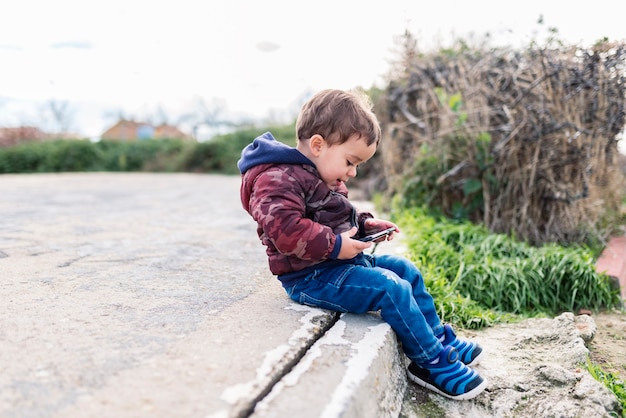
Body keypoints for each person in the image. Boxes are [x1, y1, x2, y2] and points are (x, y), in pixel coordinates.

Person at [237, 88, 487, 400]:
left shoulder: (320, 175)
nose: (352, 173)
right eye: (350, 162)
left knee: (404, 271)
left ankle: (436, 338)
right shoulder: (276, 179)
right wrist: (333, 246)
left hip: (337, 264)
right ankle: (429, 362)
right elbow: (284, 231)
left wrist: (364, 225)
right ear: (318, 145)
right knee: (389, 287)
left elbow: (337, 214)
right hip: (310, 277)